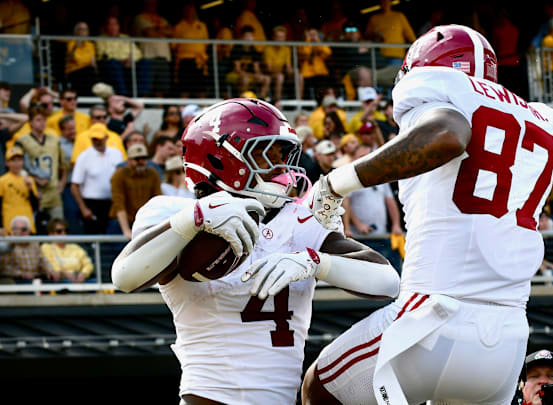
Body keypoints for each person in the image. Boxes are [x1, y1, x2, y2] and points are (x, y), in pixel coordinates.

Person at [302, 26, 553, 404]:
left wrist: (337, 183)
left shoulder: (440, 91)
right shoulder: (536, 120)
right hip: (508, 341)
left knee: (318, 389)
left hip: (431, 321)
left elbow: (448, 134)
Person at [110, 98, 400, 404]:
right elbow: (125, 277)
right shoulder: (175, 212)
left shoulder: (298, 220)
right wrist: (194, 219)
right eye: (267, 155)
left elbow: (388, 282)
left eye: (284, 154)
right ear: (222, 158)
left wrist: (316, 262)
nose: (282, 168)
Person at [15, 106, 68, 226]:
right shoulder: (22, 141)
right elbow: (18, 167)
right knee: (33, 227)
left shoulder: (54, 140)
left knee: (58, 226)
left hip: (53, 191)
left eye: (44, 120)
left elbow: (64, 165)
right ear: (31, 123)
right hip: (33, 192)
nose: (42, 123)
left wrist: (62, 183)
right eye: (38, 120)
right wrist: (34, 180)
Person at [71, 125, 124, 235]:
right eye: (94, 139)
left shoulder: (117, 154)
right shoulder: (84, 156)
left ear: (106, 137)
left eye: (99, 138)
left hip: (113, 202)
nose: (97, 141)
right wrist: (84, 208)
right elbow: (74, 185)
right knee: (92, 235)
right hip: (91, 203)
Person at [109, 143, 161, 239]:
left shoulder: (152, 173)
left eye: (143, 158)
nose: (141, 161)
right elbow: (119, 204)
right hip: (122, 222)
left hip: (145, 222)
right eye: (137, 159)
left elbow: (157, 199)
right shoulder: (119, 175)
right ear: (128, 160)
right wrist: (126, 230)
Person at [131, 0, 173, 97]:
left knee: (162, 87)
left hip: (163, 57)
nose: (152, 6)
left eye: (154, 4)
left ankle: (159, 107)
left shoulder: (162, 19)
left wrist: (156, 30)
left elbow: (171, 32)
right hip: (148, 56)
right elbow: (150, 33)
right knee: (145, 87)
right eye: (150, 3)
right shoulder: (140, 18)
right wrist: (162, 31)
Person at [95, 16, 144, 97]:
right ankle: (122, 94)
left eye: (115, 24)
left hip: (128, 65)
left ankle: (142, 94)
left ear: (118, 26)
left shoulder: (126, 38)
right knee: (113, 63)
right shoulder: (100, 39)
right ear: (106, 27)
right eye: (110, 25)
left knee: (145, 62)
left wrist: (131, 59)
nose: (113, 27)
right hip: (111, 66)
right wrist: (120, 60)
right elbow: (103, 54)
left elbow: (137, 53)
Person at [0, 215, 54, 283]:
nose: (20, 232)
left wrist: (50, 271)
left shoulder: (34, 243)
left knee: (62, 283)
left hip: (36, 278)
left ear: (29, 231)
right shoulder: (7, 244)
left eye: (24, 229)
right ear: (12, 231)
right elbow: (3, 268)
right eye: (16, 229)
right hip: (16, 279)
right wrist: (21, 274)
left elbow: (43, 261)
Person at [172, 3, 209, 98]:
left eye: (192, 9)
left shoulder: (202, 25)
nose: (190, 11)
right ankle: (183, 110)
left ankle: (203, 110)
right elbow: (174, 46)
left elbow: (206, 44)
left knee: (201, 89)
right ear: (184, 11)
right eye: (187, 9)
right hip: (184, 61)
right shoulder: (179, 27)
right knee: (185, 89)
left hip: (199, 61)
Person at [40, 218, 94, 283]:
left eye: (66, 230)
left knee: (97, 282)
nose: (63, 233)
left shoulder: (75, 247)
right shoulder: (46, 247)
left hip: (81, 279)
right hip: (61, 281)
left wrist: (84, 273)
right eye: (59, 231)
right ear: (50, 234)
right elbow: (51, 266)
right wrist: (65, 273)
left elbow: (88, 264)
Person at [0, 147, 38, 234]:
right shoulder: (2, 180)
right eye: (13, 160)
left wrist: (30, 189)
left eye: (19, 160)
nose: (17, 164)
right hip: (9, 222)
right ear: (7, 163)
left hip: (27, 221)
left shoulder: (29, 180)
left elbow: (35, 206)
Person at [64, 22, 99, 96]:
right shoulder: (71, 43)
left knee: (91, 72)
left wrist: (89, 64)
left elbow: (93, 62)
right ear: (76, 32)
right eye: (81, 29)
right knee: (89, 72)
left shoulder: (91, 45)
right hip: (74, 72)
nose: (83, 32)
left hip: (88, 71)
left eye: (85, 29)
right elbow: (74, 59)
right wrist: (87, 62)